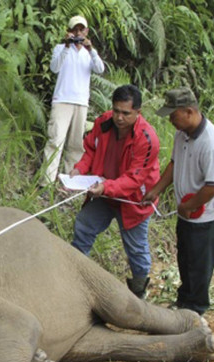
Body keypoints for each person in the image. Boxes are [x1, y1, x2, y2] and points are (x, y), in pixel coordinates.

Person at [143, 87, 214, 315]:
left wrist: (189, 206)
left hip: (206, 212)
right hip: (187, 211)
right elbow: (174, 164)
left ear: (190, 111)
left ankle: (196, 308)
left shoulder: (211, 143)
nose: (171, 120)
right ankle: (184, 301)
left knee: (200, 263)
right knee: (185, 256)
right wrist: (156, 190)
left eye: (174, 115)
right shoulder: (182, 134)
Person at [68, 84, 160, 298]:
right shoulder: (103, 122)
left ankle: (139, 291)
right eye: (116, 110)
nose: (119, 117)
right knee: (84, 225)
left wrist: (106, 187)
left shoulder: (147, 139)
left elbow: (134, 178)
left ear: (138, 112)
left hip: (134, 200)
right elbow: (90, 148)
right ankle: (75, 277)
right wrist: (80, 169)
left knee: (136, 248)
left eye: (125, 113)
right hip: (104, 191)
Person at [40, 15, 105, 186]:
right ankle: (46, 182)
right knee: (55, 140)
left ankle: (70, 182)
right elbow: (54, 68)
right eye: (74, 29)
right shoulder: (60, 48)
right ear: (69, 31)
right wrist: (67, 46)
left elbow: (100, 69)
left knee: (76, 145)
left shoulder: (89, 53)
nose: (78, 33)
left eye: (81, 29)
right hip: (62, 100)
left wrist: (91, 49)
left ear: (86, 31)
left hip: (81, 102)